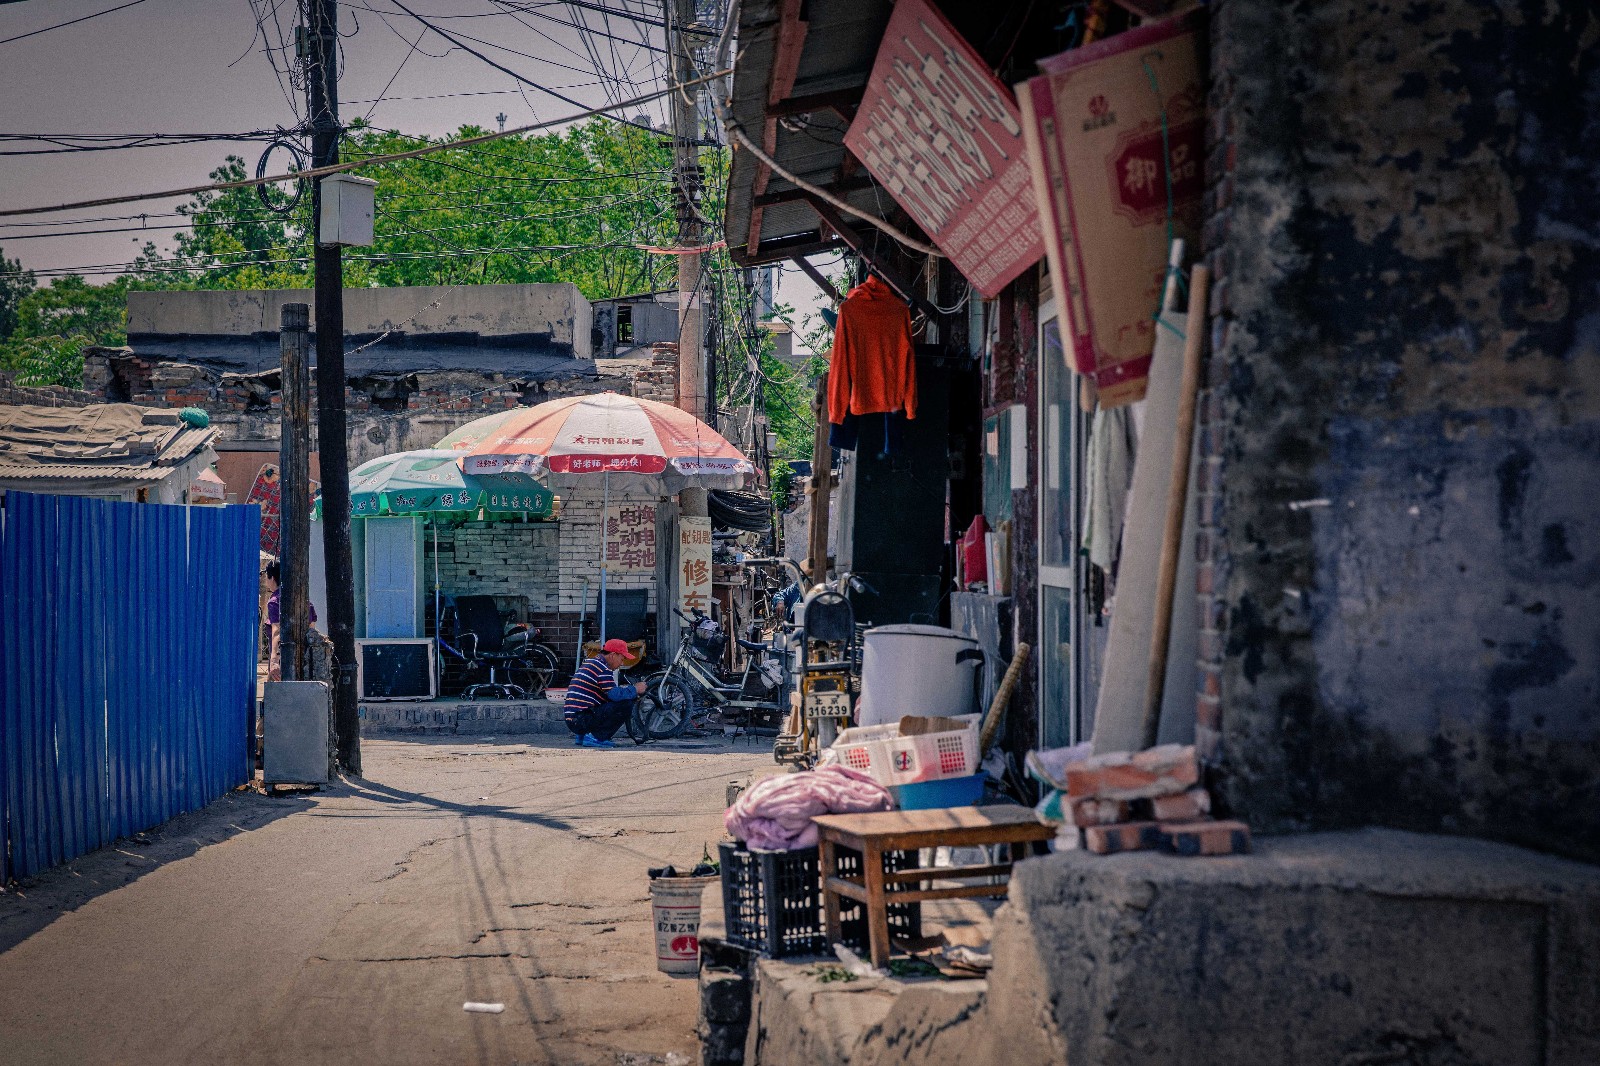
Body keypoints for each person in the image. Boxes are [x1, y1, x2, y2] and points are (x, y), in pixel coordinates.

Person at [563, 638, 646, 749]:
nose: (621, 663)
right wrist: (634, 689)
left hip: (573, 720)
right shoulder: (602, 668)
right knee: (625, 704)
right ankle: (597, 737)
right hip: (581, 719)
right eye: (621, 659)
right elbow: (615, 696)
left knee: (609, 702)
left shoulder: (591, 663)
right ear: (612, 655)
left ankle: (583, 736)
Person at [264, 561, 316, 682]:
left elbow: (277, 631)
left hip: (283, 662)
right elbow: (312, 632)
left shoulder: (275, 601)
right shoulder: (306, 601)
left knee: (276, 697)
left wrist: (274, 661)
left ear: (272, 578)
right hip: (305, 663)